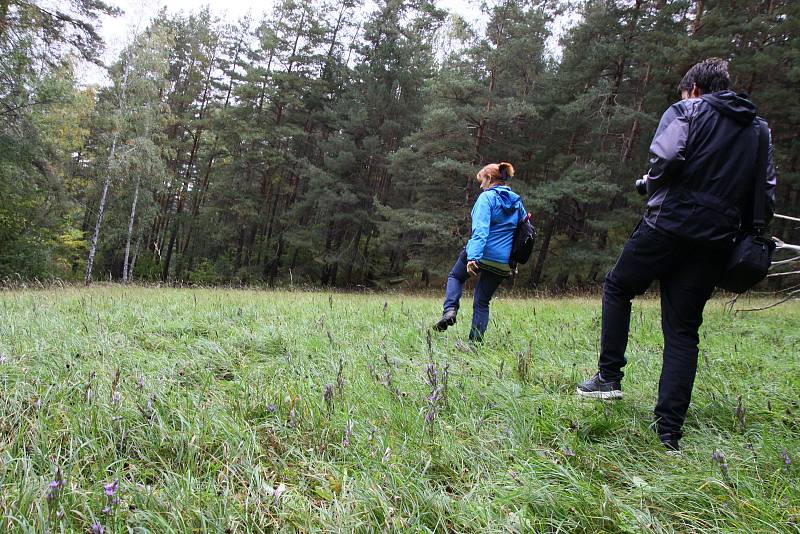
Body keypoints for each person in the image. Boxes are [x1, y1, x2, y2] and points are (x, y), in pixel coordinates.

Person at [575, 58, 778, 451]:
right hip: (716, 241)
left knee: (618, 286)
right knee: (683, 332)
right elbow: (765, 194)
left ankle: (609, 377)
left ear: (696, 90)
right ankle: (669, 431)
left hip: (666, 226)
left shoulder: (687, 111)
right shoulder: (759, 131)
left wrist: (650, 183)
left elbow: (665, 158)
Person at [433, 162, 527, 341]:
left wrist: (473, 257)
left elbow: (480, 230)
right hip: (502, 261)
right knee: (482, 302)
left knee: (455, 276)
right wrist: (513, 261)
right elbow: (524, 233)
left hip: (482, 254)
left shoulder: (486, 198)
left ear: (489, 179)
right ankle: (474, 346)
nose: (481, 185)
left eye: (481, 181)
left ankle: (450, 310)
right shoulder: (517, 202)